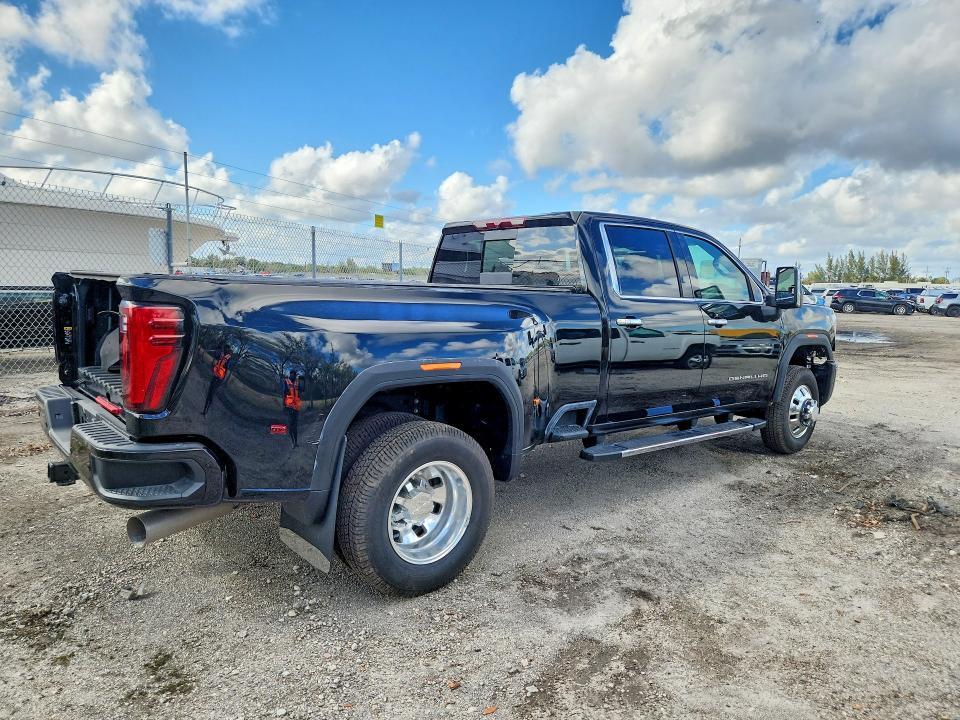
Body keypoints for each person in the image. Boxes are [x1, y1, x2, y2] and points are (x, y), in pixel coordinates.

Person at [202, 346, 232, 416]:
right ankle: (205, 410)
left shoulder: (228, 358)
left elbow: (226, 369)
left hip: (219, 379)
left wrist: (222, 380)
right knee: (210, 392)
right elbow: (217, 356)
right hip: (215, 376)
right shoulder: (222, 356)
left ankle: (207, 410)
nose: (224, 350)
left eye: (225, 349)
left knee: (211, 393)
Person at [282, 369, 303, 447]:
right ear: (290, 374)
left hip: (296, 408)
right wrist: (284, 405)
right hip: (289, 407)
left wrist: (303, 381)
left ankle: (296, 442)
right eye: (292, 374)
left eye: (294, 374)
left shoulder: (298, 382)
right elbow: (284, 394)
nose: (293, 375)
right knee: (291, 425)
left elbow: (302, 391)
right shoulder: (286, 381)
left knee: (295, 425)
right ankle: (293, 442)